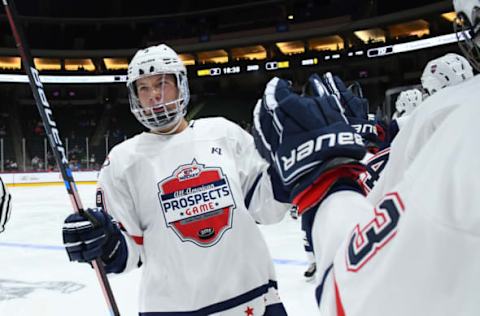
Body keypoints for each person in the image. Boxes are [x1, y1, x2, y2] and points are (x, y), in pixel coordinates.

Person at [254, 0, 480, 314]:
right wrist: (376, 131)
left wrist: (327, 184)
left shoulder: (456, 122)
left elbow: (366, 294)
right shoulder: (450, 114)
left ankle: (313, 256)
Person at [62, 44, 290, 315]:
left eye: (162, 84)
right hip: (171, 309)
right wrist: (102, 242)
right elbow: (128, 253)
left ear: (181, 86)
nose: (154, 96)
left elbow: (267, 209)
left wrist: (290, 167)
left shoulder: (223, 133)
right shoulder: (122, 161)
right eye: (143, 88)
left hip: (252, 300)